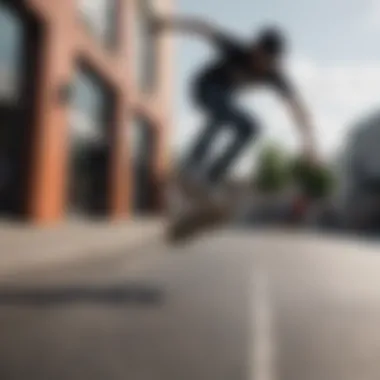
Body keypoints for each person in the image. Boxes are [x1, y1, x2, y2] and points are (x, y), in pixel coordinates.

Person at [153, 15, 317, 240]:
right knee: (222, 110)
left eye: (267, 62)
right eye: (259, 58)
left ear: (274, 61)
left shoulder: (274, 75)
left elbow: (298, 109)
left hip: (223, 100)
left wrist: (310, 147)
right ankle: (192, 166)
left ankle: (210, 179)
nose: (261, 66)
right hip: (203, 87)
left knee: (251, 127)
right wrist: (166, 25)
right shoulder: (237, 48)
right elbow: (204, 28)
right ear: (255, 48)